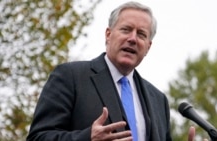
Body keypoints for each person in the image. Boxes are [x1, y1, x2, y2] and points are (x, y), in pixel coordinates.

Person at [27, 1, 200, 141]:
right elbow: (38, 137)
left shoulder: (159, 100)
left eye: (141, 34)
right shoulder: (70, 77)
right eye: (126, 29)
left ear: (148, 46)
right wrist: (88, 138)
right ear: (108, 35)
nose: (132, 39)